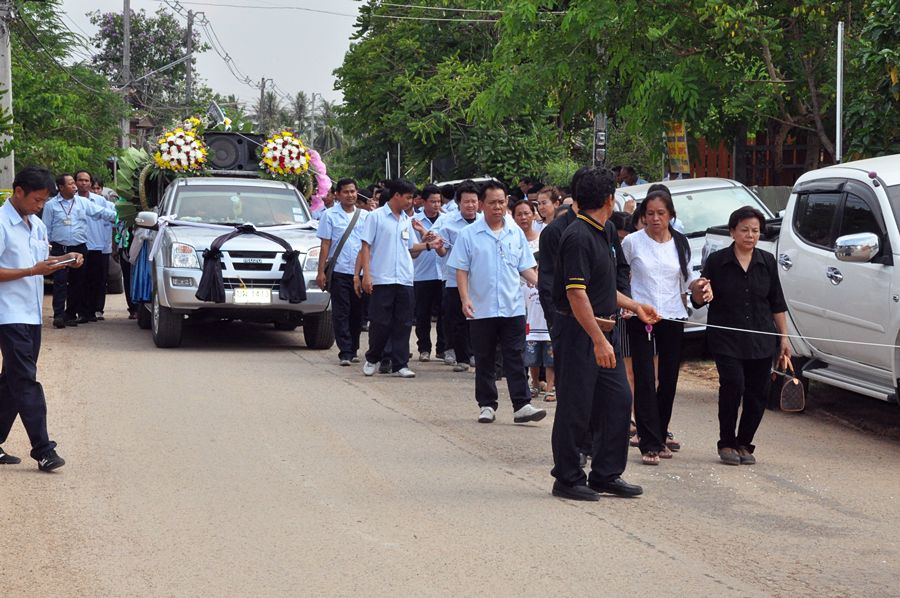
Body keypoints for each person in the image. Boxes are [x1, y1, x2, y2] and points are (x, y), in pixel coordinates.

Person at [549, 167, 660, 502]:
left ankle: (606, 474)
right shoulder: (577, 236)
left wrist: (636, 305)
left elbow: (603, 288)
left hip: (602, 330)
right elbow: (576, 294)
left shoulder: (605, 230)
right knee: (575, 405)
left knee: (618, 400)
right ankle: (567, 478)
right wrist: (598, 339)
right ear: (610, 199)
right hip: (579, 332)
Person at [621, 189, 712, 465]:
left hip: (673, 316)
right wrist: (627, 304)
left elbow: (688, 279)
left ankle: (660, 435)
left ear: (671, 215)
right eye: (650, 214)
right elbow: (621, 277)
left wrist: (700, 287)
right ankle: (648, 442)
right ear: (643, 216)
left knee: (669, 379)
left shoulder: (681, 243)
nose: (655, 219)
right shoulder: (633, 243)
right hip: (641, 317)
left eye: (661, 213)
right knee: (645, 377)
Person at [0, 167, 81, 472]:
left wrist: (64, 260)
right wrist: (32, 271)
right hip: (8, 314)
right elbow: (27, 268)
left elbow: (39, 263)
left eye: (44, 201)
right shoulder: (1, 224)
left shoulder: (35, 224)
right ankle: (43, 449)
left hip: (31, 314)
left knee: (11, 382)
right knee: (25, 381)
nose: (40, 206)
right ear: (17, 191)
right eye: (36, 199)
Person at [448, 181, 546, 425]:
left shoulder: (515, 233)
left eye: (502, 202)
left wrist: (544, 287)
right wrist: (465, 299)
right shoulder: (469, 235)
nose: (498, 207)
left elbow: (525, 267)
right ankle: (486, 405)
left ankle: (521, 404)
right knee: (485, 358)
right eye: (492, 203)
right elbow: (461, 269)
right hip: (481, 308)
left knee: (515, 356)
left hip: (512, 307)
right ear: (482, 205)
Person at [697, 206, 789, 466]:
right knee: (733, 385)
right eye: (745, 230)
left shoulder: (767, 262)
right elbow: (700, 295)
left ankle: (744, 442)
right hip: (726, 337)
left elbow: (777, 302)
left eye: (755, 231)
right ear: (732, 232)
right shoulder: (717, 262)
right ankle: (726, 442)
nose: (750, 235)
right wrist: (702, 289)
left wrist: (783, 338)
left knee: (758, 391)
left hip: (761, 338)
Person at [355, 179, 439, 378]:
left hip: (405, 279)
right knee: (380, 322)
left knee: (403, 323)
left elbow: (411, 248)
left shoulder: (406, 221)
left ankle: (400, 363)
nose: (411, 202)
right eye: (408, 197)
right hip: (382, 278)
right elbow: (365, 246)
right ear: (396, 196)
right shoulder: (375, 217)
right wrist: (366, 275)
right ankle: (373, 358)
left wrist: (428, 245)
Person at [43, 173, 116, 329]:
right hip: (59, 248)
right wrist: (46, 250)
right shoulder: (51, 205)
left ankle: (70, 315)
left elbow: (102, 212)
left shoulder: (83, 203)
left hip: (79, 248)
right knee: (60, 282)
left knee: (77, 282)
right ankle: (58, 315)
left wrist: (121, 216)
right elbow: (45, 229)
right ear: (61, 187)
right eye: (71, 183)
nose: (75, 186)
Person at [316, 178, 369, 366]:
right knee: (341, 312)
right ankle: (345, 351)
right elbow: (325, 245)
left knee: (357, 312)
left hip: (360, 273)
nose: (350, 195)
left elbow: (368, 245)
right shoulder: (329, 216)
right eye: (346, 192)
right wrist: (321, 271)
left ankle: (353, 348)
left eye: (353, 191)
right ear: (338, 194)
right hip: (339, 271)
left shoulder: (365, 216)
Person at [434, 180, 481, 371]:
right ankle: (462, 357)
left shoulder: (484, 222)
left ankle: (475, 354)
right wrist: (438, 248)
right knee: (457, 319)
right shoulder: (448, 224)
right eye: (466, 202)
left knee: (478, 320)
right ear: (458, 203)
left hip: (478, 280)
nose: (470, 205)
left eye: (474, 201)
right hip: (454, 279)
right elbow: (443, 252)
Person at [412, 184, 446, 362]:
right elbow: (411, 249)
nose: (436, 205)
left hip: (443, 274)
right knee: (422, 314)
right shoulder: (414, 222)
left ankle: (442, 348)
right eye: (432, 201)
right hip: (422, 274)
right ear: (423, 202)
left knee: (444, 313)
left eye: (438, 201)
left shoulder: (447, 220)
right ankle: (424, 348)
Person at [76, 170, 115, 322]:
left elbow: (114, 218)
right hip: (79, 246)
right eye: (80, 180)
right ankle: (82, 312)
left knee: (96, 280)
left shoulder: (101, 202)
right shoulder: (72, 202)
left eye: (87, 180)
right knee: (80, 280)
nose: (84, 183)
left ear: (90, 183)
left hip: (97, 246)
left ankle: (94, 311)